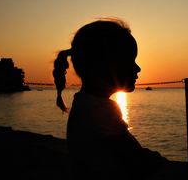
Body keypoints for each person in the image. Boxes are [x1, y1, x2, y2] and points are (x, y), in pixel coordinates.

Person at [52, 18, 166, 179]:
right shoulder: (100, 111)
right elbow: (136, 160)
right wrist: (156, 159)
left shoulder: (83, 104)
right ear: (102, 66)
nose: (137, 68)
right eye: (129, 61)